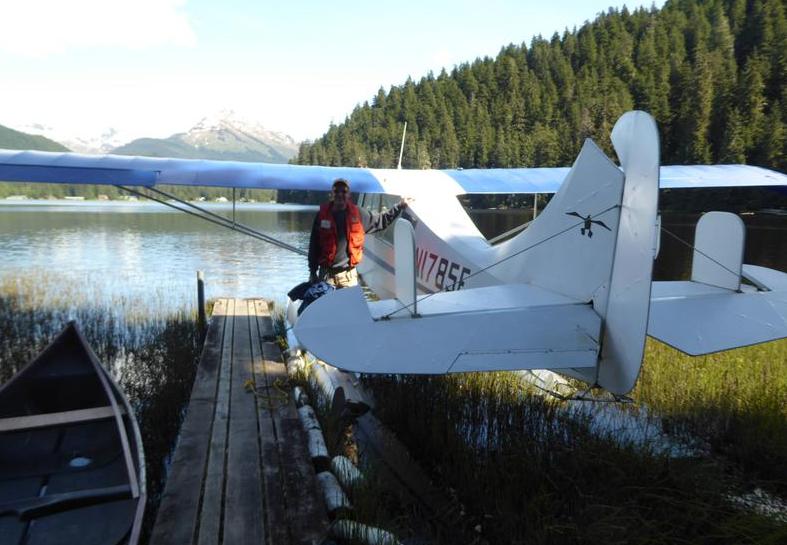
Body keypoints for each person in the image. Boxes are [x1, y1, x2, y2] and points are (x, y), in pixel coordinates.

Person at [308, 178, 410, 288]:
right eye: (336, 191)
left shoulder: (358, 214)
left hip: (348, 276)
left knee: (351, 305)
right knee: (327, 305)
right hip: (326, 276)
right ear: (331, 194)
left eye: (344, 191)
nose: (340, 194)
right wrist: (312, 272)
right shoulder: (321, 216)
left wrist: (399, 206)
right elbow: (314, 245)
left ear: (348, 195)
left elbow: (381, 221)